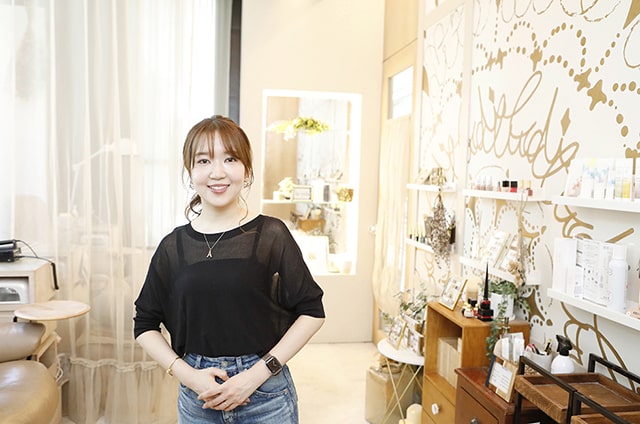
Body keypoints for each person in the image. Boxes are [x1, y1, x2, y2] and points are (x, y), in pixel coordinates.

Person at [134, 115, 325, 423]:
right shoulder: (173, 246)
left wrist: (254, 376)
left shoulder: (271, 235)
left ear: (246, 169)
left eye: (230, 159)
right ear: (190, 171)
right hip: (198, 397)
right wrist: (190, 376)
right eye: (204, 160)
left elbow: (312, 311)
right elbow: (144, 325)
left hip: (265, 395)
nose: (217, 172)